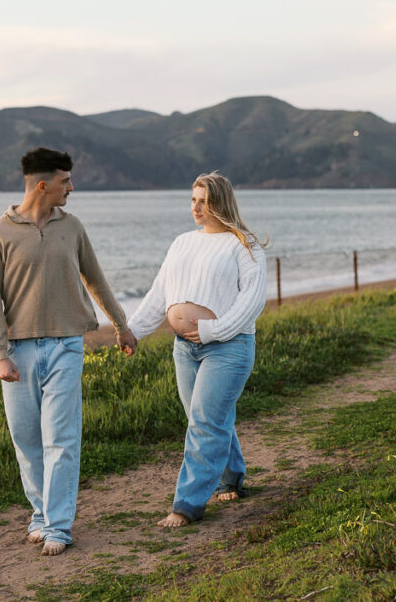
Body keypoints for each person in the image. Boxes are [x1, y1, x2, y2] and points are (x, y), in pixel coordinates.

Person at [0, 147, 137, 555]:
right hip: (18, 351)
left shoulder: (73, 227)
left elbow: (96, 280)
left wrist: (122, 326)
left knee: (62, 439)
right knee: (27, 440)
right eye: (66, 181)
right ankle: (40, 515)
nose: (72, 188)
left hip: (68, 344)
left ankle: (58, 527)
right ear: (43, 185)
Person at [122, 172, 267, 528]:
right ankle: (231, 478)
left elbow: (252, 301)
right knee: (206, 419)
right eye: (193, 199)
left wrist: (213, 330)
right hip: (185, 349)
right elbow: (160, 292)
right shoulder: (182, 242)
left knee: (205, 421)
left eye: (203, 200)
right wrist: (134, 331)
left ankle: (186, 505)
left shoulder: (244, 244)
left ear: (221, 202)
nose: (196, 207)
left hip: (229, 347)